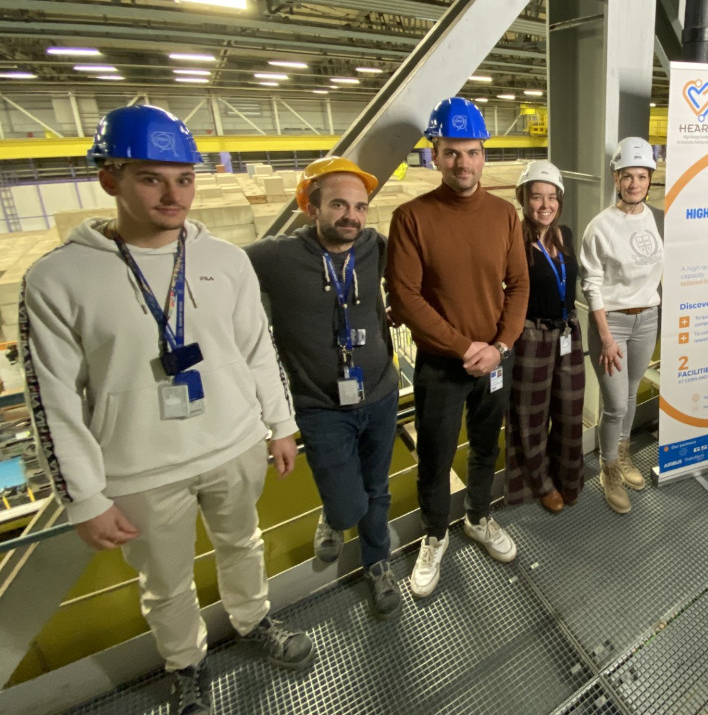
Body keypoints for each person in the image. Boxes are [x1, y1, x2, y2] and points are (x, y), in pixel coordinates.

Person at [19, 105, 314, 715]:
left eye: (183, 177)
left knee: (244, 545)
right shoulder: (59, 279)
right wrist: (83, 496)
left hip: (234, 444)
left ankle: (253, 622)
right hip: (140, 470)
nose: (173, 194)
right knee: (165, 583)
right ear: (110, 179)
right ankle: (186, 664)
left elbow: (259, 350)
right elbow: (51, 400)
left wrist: (280, 424)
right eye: (152, 178)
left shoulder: (225, 261)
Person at [246, 156, 402, 618]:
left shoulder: (375, 246)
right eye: (338, 204)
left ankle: (378, 565)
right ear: (310, 207)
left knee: (378, 488)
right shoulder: (275, 257)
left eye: (360, 206)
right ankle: (335, 517)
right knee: (349, 500)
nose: (351, 216)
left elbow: (429, 262)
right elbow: (211, 271)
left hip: (380, 392)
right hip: (318, 405)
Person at [386, 97, 529, 598]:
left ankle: (478, 517)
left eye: (471, 152)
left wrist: (500, 345)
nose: (462, 163)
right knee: (436, 454)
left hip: (493, 360)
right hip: (441, 368)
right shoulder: (411, 218)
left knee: (487, 445)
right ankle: (434, 533)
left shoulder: (504, 215)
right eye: (451, 152)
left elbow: (519, 285)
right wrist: (465, 346)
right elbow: (403, 297)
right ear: (434, 154)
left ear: (483, 154)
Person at [580, 137, 664, 515]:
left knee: (631, 392)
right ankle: (608, 469)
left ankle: (624, 453)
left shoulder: (655, 217)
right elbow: (591, 284)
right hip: (611, 322)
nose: (634, 184)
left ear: (650, 179)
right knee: (614, 404)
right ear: (616, 178)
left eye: (642, 176)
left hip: (648, 317)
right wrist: (606, 336)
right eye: (627, 176)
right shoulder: (600, 226)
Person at [505, 161, 585, 513]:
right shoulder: (513, 243)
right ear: (523, 199)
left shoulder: (564, 234)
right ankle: (540, 481)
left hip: (568, 330)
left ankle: (568, 474)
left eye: (551, 197)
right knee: (530, 415)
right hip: (531, 335)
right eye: (536, 197)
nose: (544, 205)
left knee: (569, 410)